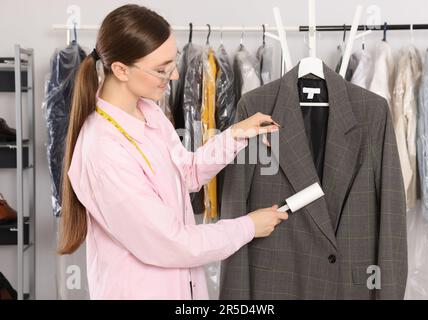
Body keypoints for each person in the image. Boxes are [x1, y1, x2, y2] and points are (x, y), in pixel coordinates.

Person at [57, 4, 287, 299]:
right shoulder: (103, 151)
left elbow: (186, 174)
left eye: (173, 62)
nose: (176, 75)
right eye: (161, 69)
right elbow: (172, 243)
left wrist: (236, 135)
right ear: (120, 70)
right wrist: (248, 227)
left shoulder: (149, 112)